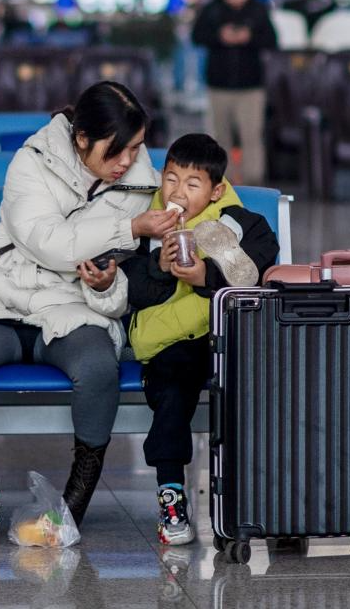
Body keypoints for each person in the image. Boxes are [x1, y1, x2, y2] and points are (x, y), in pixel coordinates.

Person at [0, 81, 181, 527]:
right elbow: (48, 243)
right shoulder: (31, 161)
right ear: (82, 138)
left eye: (136, 148)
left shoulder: (144, 184)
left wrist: (107, 285)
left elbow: (134, 278)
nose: (126, 161)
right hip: (2, 296)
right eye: (116, 150)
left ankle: (73, 503)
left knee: (98, 368)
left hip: (74, 304)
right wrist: (129, 229)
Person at [122, 133, 279, 544]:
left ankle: (262, 494)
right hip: (169, 344)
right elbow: (130, 292)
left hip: (226, 337)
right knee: (172, 391)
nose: (178, 192)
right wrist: (158, 267)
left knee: (256, 389)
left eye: (193, 184)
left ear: (216, 190)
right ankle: (171, 494)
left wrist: (204, 276)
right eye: (171, 179)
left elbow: (261, 264)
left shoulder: (243, 223)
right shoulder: (144, 226)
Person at [192, 0, 276, 186]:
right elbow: (197, 36)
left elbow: (272, 40)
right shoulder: (212, 9)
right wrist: (220, 36)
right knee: (220, 137)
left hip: (251, 86)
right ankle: (223, 182)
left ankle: (253, 182)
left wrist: (249, 37)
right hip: (219, 85)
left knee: (252, 136)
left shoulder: (258, 8)